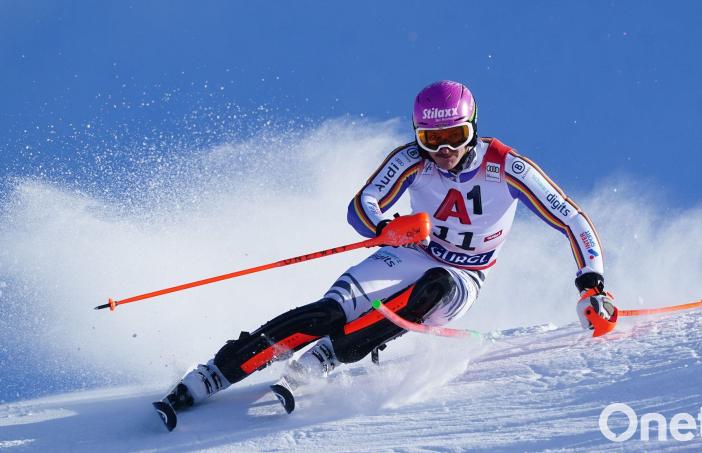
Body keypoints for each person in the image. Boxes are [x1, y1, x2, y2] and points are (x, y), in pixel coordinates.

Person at [159, 80, 616, 418]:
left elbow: (571, 219)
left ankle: (330, 355)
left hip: (466, 274)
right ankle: (214, 374)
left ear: (473, 128)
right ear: (418, 135)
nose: (444, 150)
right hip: (412, 252)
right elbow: (361, 205)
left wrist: (592, 286)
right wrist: (386, 228)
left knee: (434, 287)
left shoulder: (506, 166)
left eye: (455, 136)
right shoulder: (411, 160)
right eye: (431, 139)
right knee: (326, 313)